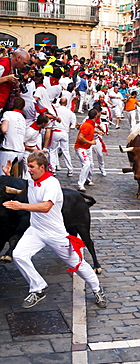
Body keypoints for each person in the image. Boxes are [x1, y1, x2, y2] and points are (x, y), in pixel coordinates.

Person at [2, 151, 107, 309]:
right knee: (18, 255)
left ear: (42, 167)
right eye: (28, 166)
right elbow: (22, 191)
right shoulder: (32, 180)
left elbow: (45, 207)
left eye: (31, 167)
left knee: (78, 264)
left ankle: (97, 289)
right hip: (36, 230)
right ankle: (38, 288)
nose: (28, 170)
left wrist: (21, 206)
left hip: (55, 234)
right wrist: (8, 174)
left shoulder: (52, 184)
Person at [49, 98, 75, 176]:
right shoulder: (70, 112)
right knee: (66, 151)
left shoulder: (56, 110)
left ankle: (53, 169)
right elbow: (72, 124)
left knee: (53, 150)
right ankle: (70, 169)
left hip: (56, 131)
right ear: (66, 103)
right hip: (65, 132)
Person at [0, 97, 26, 176]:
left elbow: (4, 129)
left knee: (2, 175)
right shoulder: (23, 118)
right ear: (23, 107)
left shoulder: (8, 114)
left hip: (9, 150)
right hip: (20, 151)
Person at [74, 108, 97, 191]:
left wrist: (98, 132)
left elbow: (89, 130)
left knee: (91, 164)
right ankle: (80, 184)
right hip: (81, 147)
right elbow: (80, 137)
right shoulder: (87, 125)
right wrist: (91, 142)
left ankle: (88, 179)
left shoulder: (89, 124)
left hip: (86, 147)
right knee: (86, 163)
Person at [22, 114, 49, 178]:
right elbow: (21, 144)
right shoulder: (30, 132)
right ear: (43, 123)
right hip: (27, 152)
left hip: (33, 150)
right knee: (28, 172)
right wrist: (33, 150)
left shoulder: (37, 128)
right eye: (46, 123)